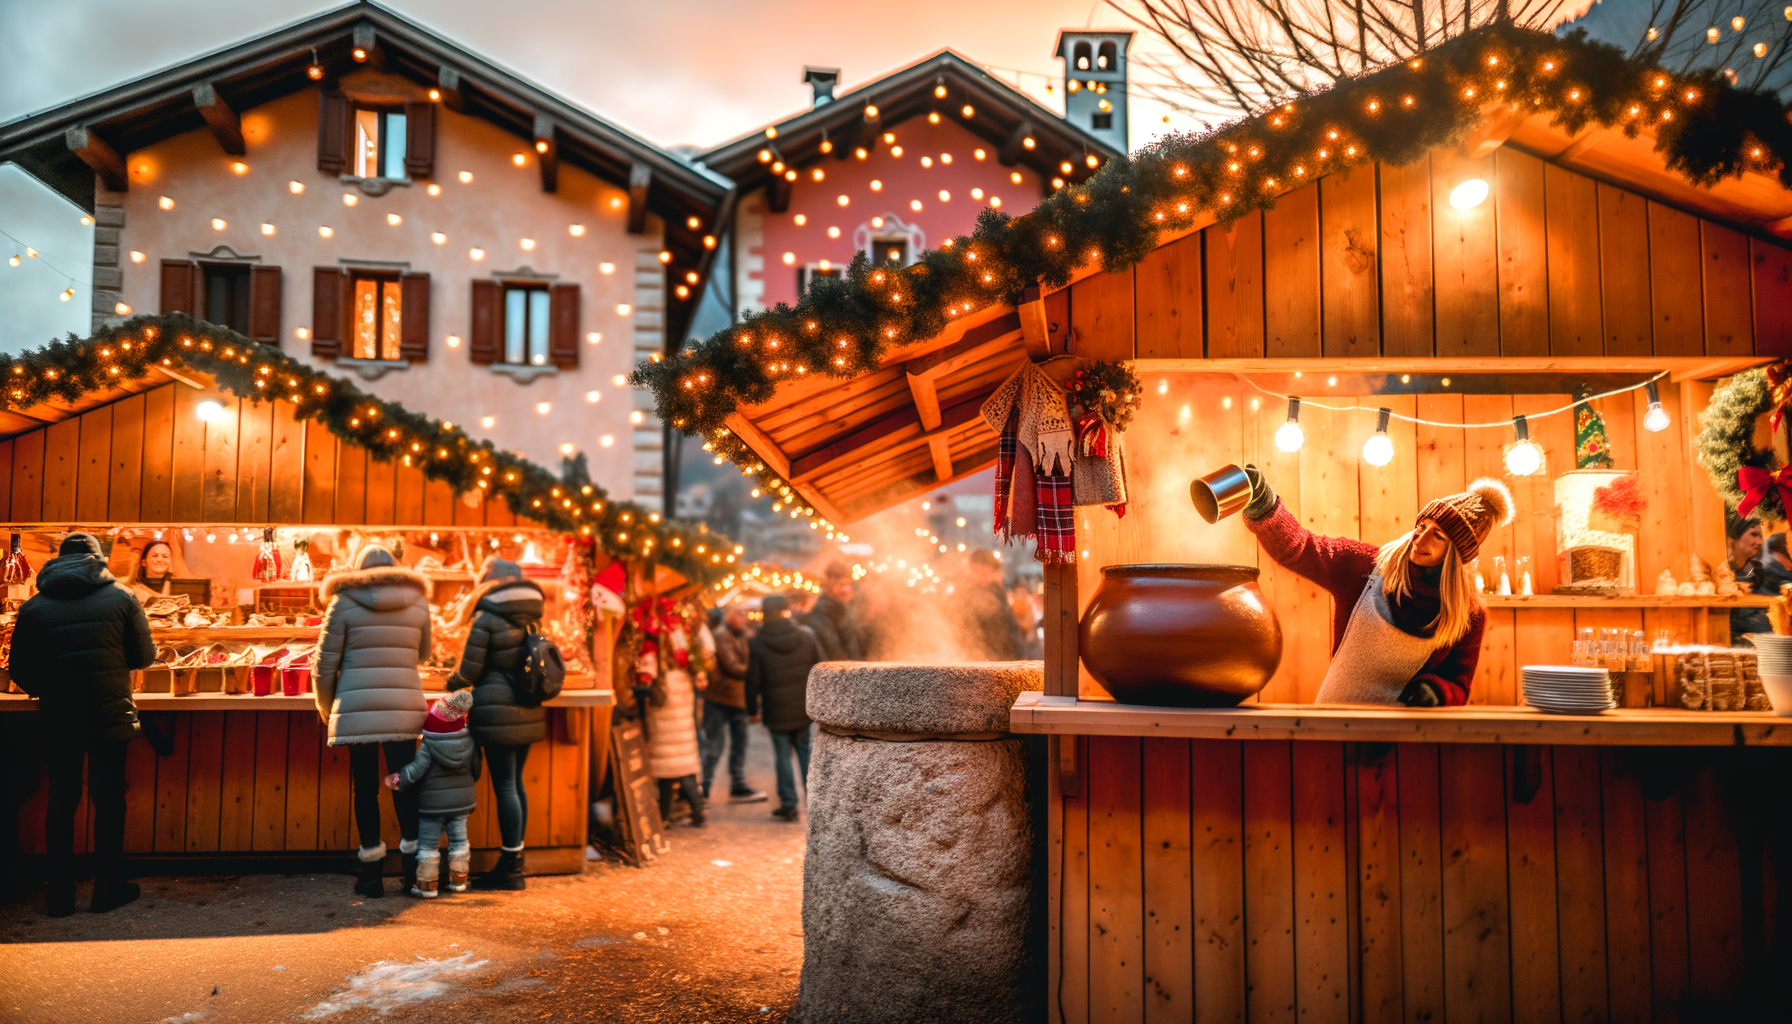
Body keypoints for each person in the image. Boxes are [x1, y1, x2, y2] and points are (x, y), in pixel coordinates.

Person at [1242, 466, 1504, 706]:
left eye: (1438, 536)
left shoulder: (1468, 614)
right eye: (1422, 526)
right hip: (1331, 724)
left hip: (1403, 737)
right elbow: (1302, 548)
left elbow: (1458, 683)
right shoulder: (1364, 566)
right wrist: (1266, 509)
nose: (1420, 539)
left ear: (1456, 555)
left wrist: (1436, 691)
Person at [10, 533, 157, 916]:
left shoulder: (34, 607)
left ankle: (60, 894)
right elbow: (144, 656)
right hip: (109, 712)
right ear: (97, 560)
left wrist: (52, 687)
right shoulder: (122, 597)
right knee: (109, 800)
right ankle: (107, 888)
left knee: (62, 800)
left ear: (58, 562)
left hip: (60, 716)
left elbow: (19, 669)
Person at [314, 545, 431, 898]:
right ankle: (413, 874)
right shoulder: (417, 601)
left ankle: (371, 876)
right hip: (403, 708)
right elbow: (423, 653)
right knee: (404, 785)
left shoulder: (343, 601)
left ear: (357, 571)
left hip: (357, 709)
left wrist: (327, 710)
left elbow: (324, 665)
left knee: (365, 789)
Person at [446, 557, 545, 889]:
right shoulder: (533, 617)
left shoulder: (487, 618)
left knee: (505, 785)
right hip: (527, 706)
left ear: (490, 583)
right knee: (516, 784)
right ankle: (515, 860)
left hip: (497, 712)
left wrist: (450, 681)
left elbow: (470, 672)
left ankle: (510, 869)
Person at [384, 689, 480, 898]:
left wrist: (398, 780)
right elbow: (476, 769)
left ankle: (427, 885)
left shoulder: (428, 746)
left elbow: (415, 770)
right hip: (461, 804)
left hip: (432, 805)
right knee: (459, 842)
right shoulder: (469, 741)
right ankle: (458, 880)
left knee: (428, 845)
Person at [746, 594, 824, 822]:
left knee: (782, 755)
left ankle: (789, 804)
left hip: (775, 708)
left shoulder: (757, 643)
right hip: (802, 706)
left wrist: (751, 709)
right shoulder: (806, 635)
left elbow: (753, 681)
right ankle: (815, 802)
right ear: (785, 611)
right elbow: (822, 667)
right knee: (804, 751)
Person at [639, 604, 707, 828]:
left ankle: (667, 815)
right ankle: (694, 810)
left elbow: (654, 698)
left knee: (668, 775)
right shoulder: (684, 674)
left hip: (665, 731)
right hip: (683, 731)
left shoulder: (661, 676)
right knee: (684, 771)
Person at [702, 603, 765, 803]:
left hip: (737, 698)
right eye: (739, 613)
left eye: (744, 613)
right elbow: (733, 666)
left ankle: (737, 785)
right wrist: (755, 672)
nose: (743, 617)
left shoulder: (740, 634)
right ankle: (703, 789)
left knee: (740, 744)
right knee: (715, 746)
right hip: (721, 697)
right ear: (729, 615)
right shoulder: (722, 634)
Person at [960, 549, 1025, 660]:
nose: (971, 574)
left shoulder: (994, 594)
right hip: (988, 659)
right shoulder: (988, 593)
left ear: (986, 570)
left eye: (974, 569)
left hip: (991, 659)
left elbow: (1008, 631)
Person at [805, 562, 863, 661]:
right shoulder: (822, 612)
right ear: (829, 586)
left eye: (849, 584)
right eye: (841, 585)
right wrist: (853, 667)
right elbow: (833, 653)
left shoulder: (842, 608)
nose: (846, 589)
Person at [1727, 515, 1768, 641]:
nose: (1760, 542)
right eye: (1754, 534)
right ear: (1731, 539)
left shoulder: (1757, 572)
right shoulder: (1721, 576)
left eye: (1760, 536)